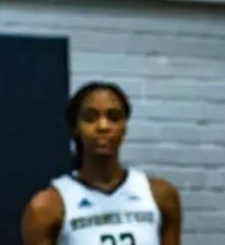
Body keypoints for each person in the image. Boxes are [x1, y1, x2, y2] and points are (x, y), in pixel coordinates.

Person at [21, 81, 183, 245]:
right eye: (90, 118)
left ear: (125, 126)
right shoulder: (47, 207)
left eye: (114, 117)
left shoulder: (160, 196)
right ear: (75, 127)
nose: (103, 126)